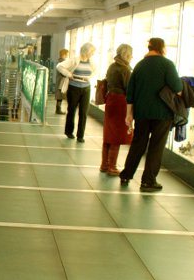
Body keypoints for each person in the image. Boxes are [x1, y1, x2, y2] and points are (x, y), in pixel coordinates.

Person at [118, 37, 183, 192]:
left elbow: (130, 92)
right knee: (156, 147)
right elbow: (178, 87)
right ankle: (148, 181)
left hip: (141, 112)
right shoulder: (167, 65)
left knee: (138, 144)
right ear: (162, 47)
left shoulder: (139, 66)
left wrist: (129, 114)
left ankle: (126, 174)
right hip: (162, 113)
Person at [100, 43, 133, 175]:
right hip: (120, 102)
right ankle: (112, 166)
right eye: (130, 55)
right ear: (126, 55)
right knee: (117, 135)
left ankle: (104, 164)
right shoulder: (125, 69)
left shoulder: (112, 66)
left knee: (108, 133)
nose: (131, 57)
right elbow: (129, 88)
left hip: (110, 100)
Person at [62, 43, 95, 143]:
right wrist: (69, 74)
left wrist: (89, 77)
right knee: (71, 110)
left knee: (83, 112)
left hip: (86, 88)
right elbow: (60, 66)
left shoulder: (91, 62)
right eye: (92, 52)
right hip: (74, 87)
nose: (92, 54)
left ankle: (80, 135)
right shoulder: (74, 60)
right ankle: (69, 132)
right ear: (86, 51)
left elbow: (94, 71)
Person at [53, 48, 69, 114]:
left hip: (60, 80)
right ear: (64, 54)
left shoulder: (60, 61)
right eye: (67, 54)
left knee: (60, 95)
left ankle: (58, 109)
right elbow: (63, 72)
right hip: (61, 81)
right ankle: (58, 109)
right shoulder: (62, 62)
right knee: (60, 95)